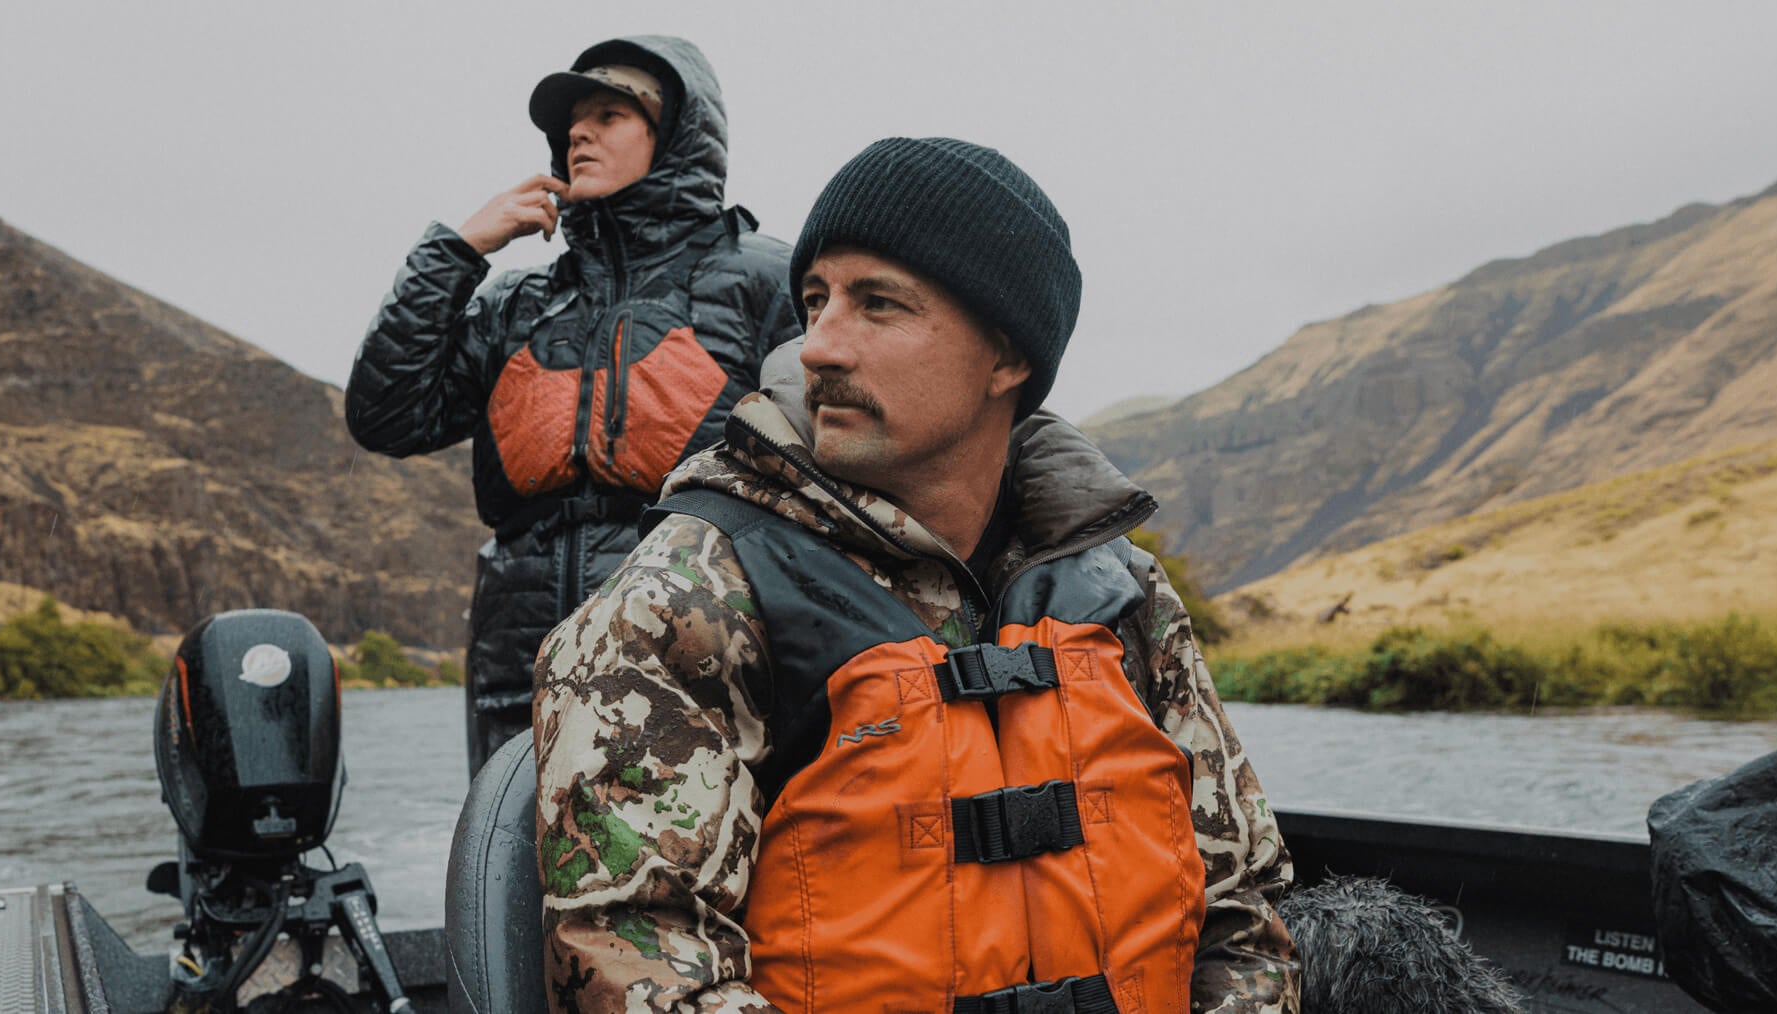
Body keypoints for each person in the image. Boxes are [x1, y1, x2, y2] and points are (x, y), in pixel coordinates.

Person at [533, 138, 1301, 1012]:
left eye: (879, 305)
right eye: (815, 302)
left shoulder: (1125, 595)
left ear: (1007, 358)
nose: (817, 347)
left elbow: (1243, 921)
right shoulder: (684, 600)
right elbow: (638, 967)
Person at [346, 36, 799, 775]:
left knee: (682, 879)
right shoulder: (514, 303)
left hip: (695, 656)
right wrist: (457, 253)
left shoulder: (768, 280)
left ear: (677, 133)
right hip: (514, 665)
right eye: (570, 125)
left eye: (608, 114)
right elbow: (387, 415)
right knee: (510, 879)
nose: (577, 134)